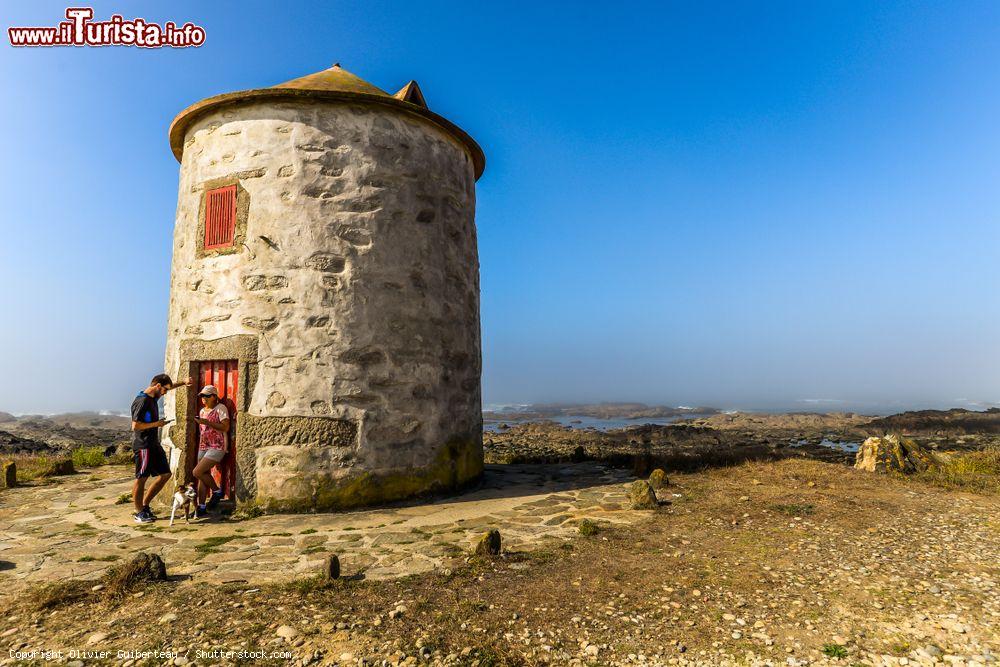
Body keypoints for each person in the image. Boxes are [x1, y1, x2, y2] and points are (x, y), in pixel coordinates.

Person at [131, 373, 192, 523]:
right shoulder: (143, 401)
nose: (166, 393)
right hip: (143, 445)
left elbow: (169, 387)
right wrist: (157, 424)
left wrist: (183, 382)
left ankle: (145, 506)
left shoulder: (153, 397)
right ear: (157, 386)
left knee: (165, 474)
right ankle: (139, 512)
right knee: (141, 478)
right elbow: (135, 425)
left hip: (153, 443)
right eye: (165, 390)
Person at [191, 385, 230, 519]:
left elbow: (225, 427)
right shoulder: (202, 411)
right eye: (202, 396)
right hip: (204, 445)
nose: (203, 399)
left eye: (206, 396)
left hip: (217, 446)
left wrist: (207, 422)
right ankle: (201, 507)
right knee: (203, 474)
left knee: (197, 472)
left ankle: (217, 491)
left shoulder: (221, 409)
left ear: (214, 396)